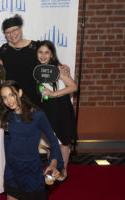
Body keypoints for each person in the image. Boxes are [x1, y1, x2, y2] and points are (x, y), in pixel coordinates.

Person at [0, 80, 64, 200]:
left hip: (32, 169)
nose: (8, 100)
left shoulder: (37, 115)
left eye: (11, 95)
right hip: (13, 169)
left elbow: (53, 141)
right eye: (4, 97)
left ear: (19, 93)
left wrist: (53, 164)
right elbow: (7, 142)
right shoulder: (7, 116)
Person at [0, 14, 69, 107]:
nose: (12, 34)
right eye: (8, 32)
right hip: (13, 97)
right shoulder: (4, 49)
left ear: (20, 29)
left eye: (14, 30)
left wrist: (63, 67)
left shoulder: (35, 46)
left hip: (35, 96)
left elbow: (49, 60)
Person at [36, 40, 78, 183]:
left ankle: (63, 170)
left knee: (63, 142)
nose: (43, 55)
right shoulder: (36, 70)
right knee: (50, 141)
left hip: (61, 108)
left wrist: (54, 94)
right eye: (40, 52)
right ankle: (51, 169)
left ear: (52, 54)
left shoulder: (58, 69)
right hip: (46, 109)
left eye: (46, 52)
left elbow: (73, 87)